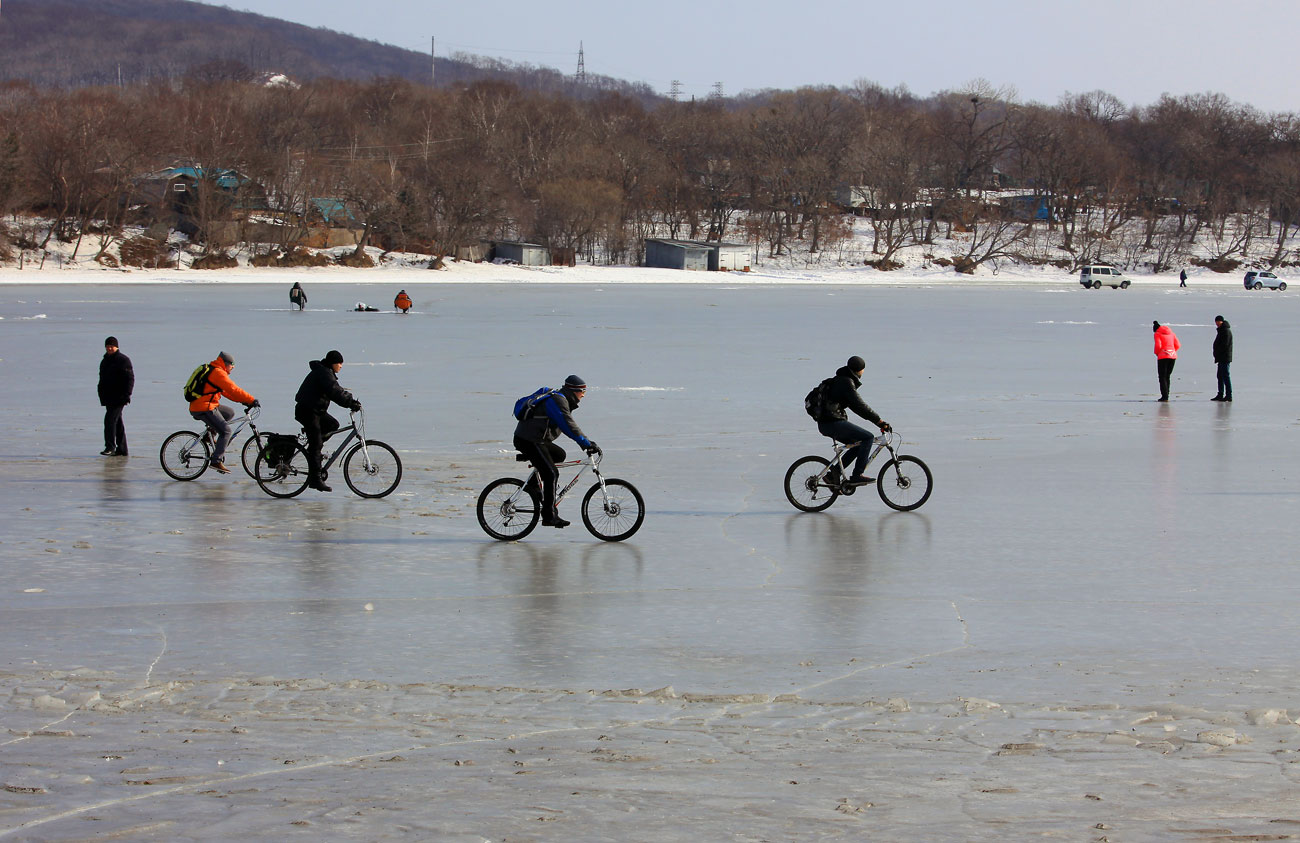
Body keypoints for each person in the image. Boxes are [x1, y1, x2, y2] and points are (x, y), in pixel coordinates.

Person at [513, 374, 599, 528]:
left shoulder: (562, 399)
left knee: (559, 455)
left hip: (537, 439)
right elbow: (568, 425)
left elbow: (568, 424)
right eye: (582, 392)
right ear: (574, 390)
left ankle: (534, 484)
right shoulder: (558, 401)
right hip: (529, 440)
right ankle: (549, 516)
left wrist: (586, 442)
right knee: (551, 473)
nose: (584, 395)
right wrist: (586, 443)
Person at [813, 356, 891, 485]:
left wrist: (876, 421)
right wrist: (879, 421)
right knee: (868, 437)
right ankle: (857, 475)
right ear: (859, 370)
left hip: (827, 423)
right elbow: (860, 406)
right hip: (832, 422)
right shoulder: (846, 382)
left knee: (858, 444)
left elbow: (856, 407)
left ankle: (834, 474)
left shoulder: (841, 380)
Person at [294, 350, 361, 492]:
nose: (341, 366)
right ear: (333, 363)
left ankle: (313, 451)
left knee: (332, 425)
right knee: (316, 443)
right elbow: (334, 392)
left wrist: (350, 399)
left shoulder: (326, 372)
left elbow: (337, 389)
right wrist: (350, 402)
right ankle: (315, 480)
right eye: (340, 363)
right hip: (308, 411)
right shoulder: (324, 373)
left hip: (315, 410)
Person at [189, 351, 259, 474]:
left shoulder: (216, 371)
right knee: (226, 431)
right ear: (226, 363)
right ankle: (216, 460)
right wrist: (251, 399)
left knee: (229, 413)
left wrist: (243, 401)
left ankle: (208, 435)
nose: (233, 367)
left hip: (206, 405)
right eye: (232, 365)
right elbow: (233, 389)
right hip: (204, 407)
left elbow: (227, 392)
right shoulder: (218, 373)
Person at [98, 336, 134, 456]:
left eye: (111, 346)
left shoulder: (123, 360)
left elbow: (130, 379)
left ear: (116, 347)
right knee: (117, 422)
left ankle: (110, 447)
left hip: (120, 397)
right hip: (108, 397)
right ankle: (122, 449)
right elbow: (102, 378)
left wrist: (127, 394)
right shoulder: (105, 360)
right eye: (107, 346)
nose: (109, 348)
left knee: (109, 420)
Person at [1153, 321, 1180, 402]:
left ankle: (1164, 396)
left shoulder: (1157, 334)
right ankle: (1167, 394)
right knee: (1167, 376)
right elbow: (1178, 345)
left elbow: (1158, 345)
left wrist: (1157, 353)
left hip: (1163, 356)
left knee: (1162, 377)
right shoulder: (1172, 333)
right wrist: (1172, 351)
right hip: (1173, 356)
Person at [1212, 315, 1233, 402]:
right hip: (1221, 357)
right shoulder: (1221, 330)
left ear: (1221, 321)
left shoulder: (1225, 331)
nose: (1216, 324)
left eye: (1217, 322)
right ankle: (1220, 394)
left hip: (1224, 357)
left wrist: (1218, 352)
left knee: (1225, 376)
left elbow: (1225, 345)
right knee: (1220, 376)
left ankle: (1229, 395)